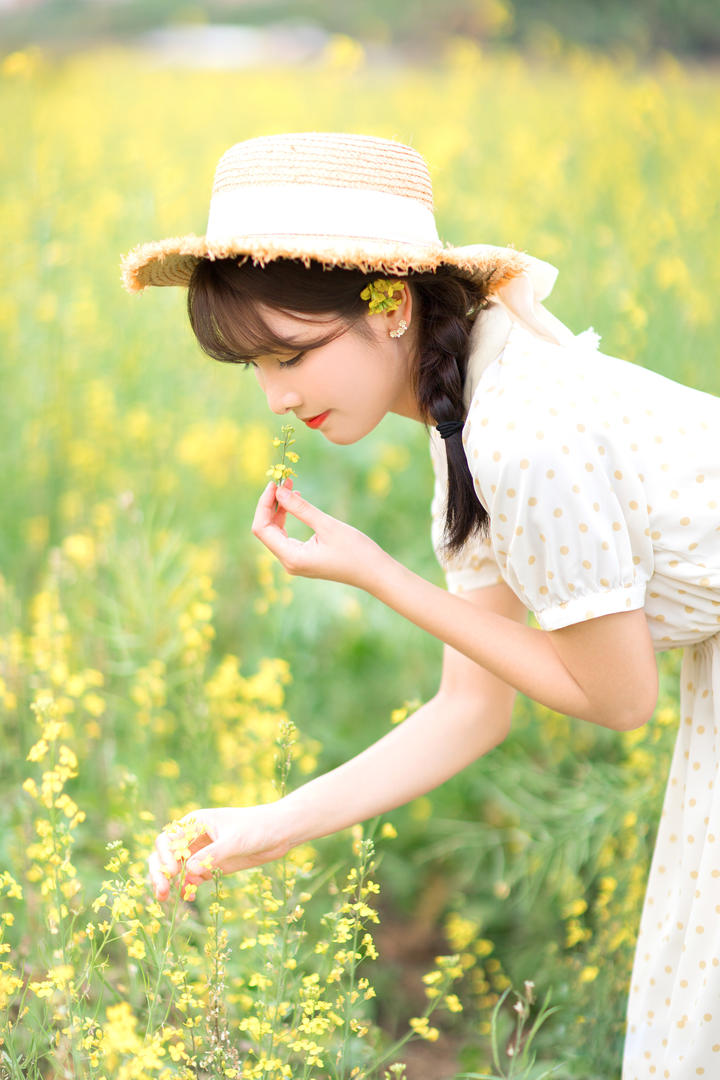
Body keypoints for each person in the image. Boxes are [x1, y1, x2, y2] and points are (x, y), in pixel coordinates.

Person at [122, 132, 720, 1079]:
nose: (276, 399)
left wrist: (377, 575)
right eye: (254, 370)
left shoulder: (521, 433)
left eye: (291, 356)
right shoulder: (469, 408)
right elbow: (469, 710)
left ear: (391, 304)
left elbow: (620, 703)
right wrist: (269, 826)